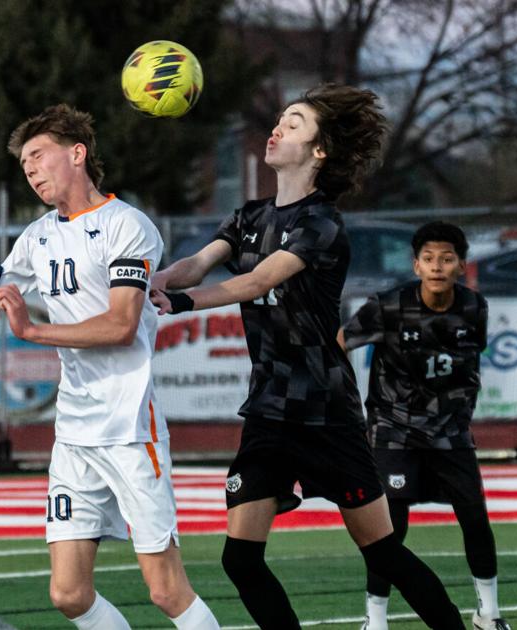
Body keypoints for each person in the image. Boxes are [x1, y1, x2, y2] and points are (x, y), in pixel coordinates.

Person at [0, 104, 219, 630]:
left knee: (166, 591)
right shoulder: (37, 236)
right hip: (75, 434)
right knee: (68, 593)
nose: (30, 170)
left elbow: (121, 324)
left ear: (77, 154)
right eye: (24, 164)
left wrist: (34, 333)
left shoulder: (128, 225)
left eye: (38, 156)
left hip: (130, 432)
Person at [151, 84, 465, 630]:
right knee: (240, 560)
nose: (277, 128)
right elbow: (196, 265)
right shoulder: (248, 215)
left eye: (293, 123)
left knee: (383, 553)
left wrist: (176, 303)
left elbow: (256, 280)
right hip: (269, 410)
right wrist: (141, 287)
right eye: (279, 119)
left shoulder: (321, 223)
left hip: (325, 412)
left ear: (320, 151)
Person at [340, 221, 510, 630]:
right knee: (389, 528)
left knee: (474, 517)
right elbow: (339, 343)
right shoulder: (388, 305)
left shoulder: (474, 308)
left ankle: (489, 613)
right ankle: (375, 619)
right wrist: (345, 403)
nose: (437, 266)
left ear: (461, 266)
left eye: (447, 259)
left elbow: (469, 363)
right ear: (416, 265)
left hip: (451, 433)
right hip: (394, 431)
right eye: (429, 259)